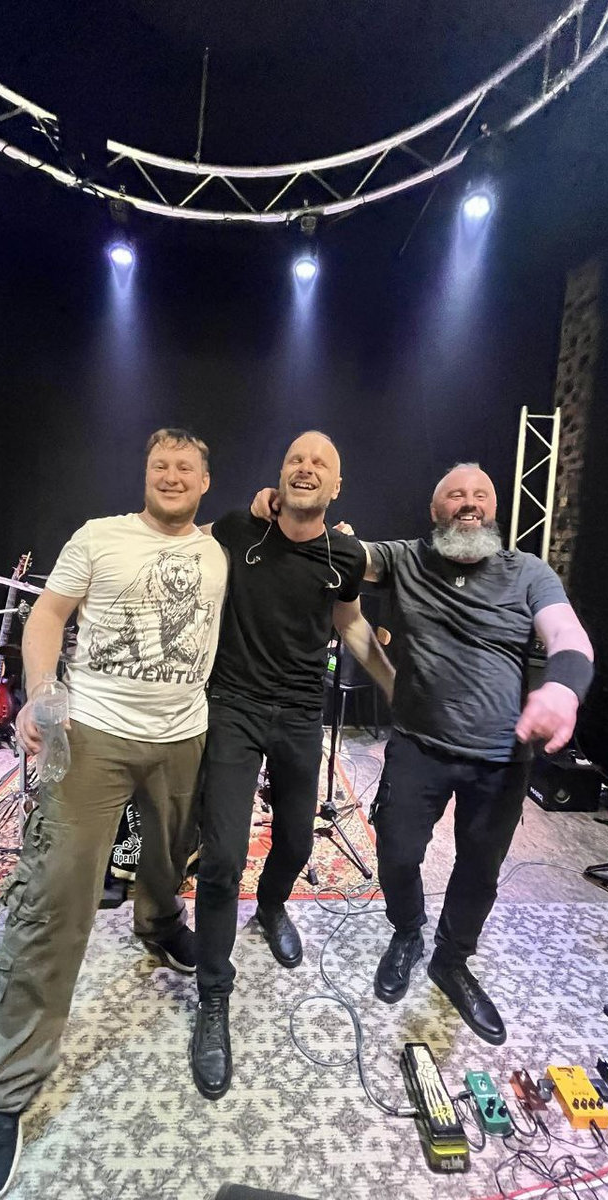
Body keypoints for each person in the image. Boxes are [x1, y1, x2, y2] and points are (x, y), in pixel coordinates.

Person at [0, 429, 229, 1200]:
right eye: (159, 465)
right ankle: (4, 1090)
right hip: (95, 735)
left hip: (184, 736)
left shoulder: (219, 549)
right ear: (145, 475)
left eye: (185, 467)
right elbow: (47, 615)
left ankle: (158, 924)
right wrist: (42, 691)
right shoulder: (99, 537)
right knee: (53, 900)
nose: (171, 475)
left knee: (171, 857)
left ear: (205, 482)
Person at [190, 430, 394, 1101]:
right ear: (279, 478)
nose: (306, 468)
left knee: (297, 843)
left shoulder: (346, 554)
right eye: (295, 460)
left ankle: (273, 907)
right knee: (222, 859)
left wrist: (398, 687)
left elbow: (350, 623)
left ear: (336, 487)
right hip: (234, 704)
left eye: (320, 463)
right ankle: (213, 996)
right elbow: (185, 560)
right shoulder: (237, 529)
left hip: (302, 711)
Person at [361, 462, 593, 1045]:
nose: (469, 502)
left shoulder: (528, 571)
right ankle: (408, 931)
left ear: (494, 509)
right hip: (418, 744)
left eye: (481, 494)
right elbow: (346, 556)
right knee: (396, 851)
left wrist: (563, 689)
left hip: (500, 758)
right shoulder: (406, 559)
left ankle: (451, 960)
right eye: (455, 494)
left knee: (479, 870)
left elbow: (568, 635)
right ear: (434, 511)